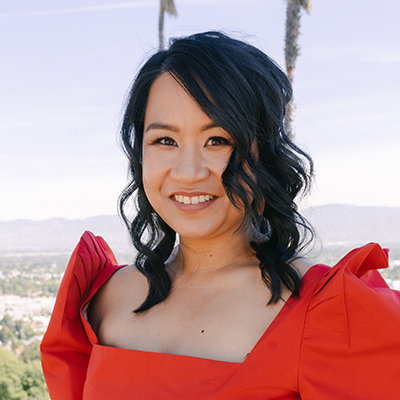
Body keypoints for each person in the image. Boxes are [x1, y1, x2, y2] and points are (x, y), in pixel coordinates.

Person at [40, 32, 400, 399]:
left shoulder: (329, 314)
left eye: (218, 140)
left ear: (265, 154)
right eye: (165, 141)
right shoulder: (100, 300)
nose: (189, 172)